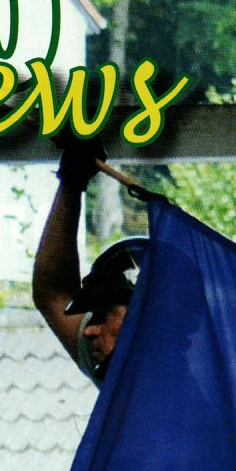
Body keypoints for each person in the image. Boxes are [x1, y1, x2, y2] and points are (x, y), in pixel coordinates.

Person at [32, 140, 145, 386]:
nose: (88, 331)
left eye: (102, 316)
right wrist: (71, 183)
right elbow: (53, 294)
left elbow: (53, 296)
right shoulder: (122, 374)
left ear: (148, 321)